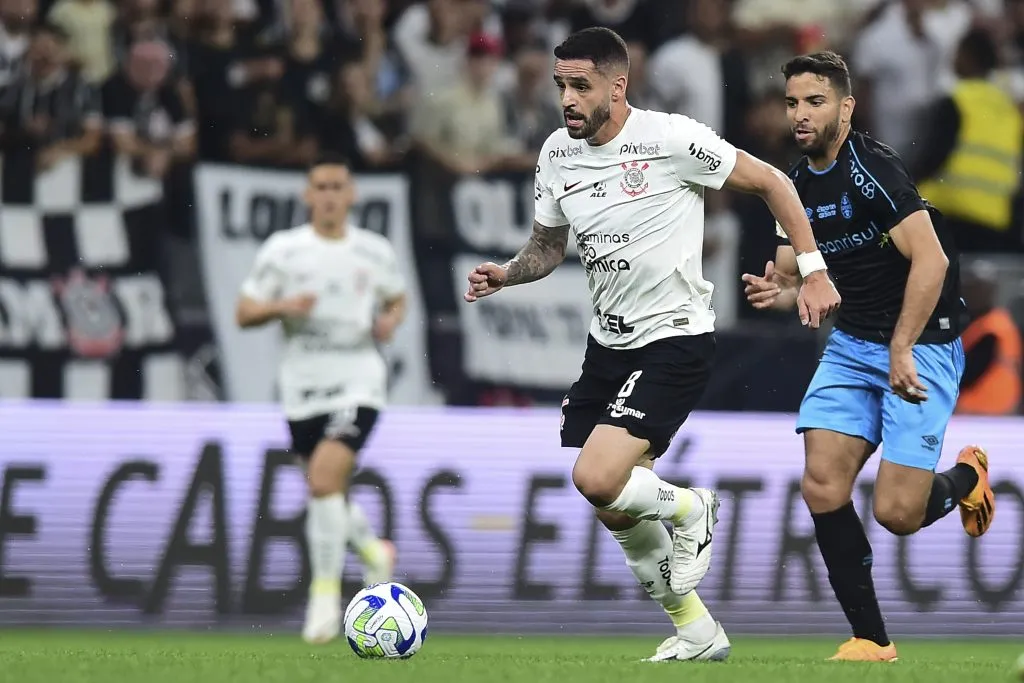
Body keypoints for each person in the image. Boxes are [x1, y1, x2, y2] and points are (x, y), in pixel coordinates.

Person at [463, 27, 841, 662]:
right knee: (615, 505)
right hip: (606, 347)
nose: (567, 99)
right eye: (560, 86)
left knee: (596, 476)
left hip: (674, 339)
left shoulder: (670, 139)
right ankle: (696, 631)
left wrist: (812, 268)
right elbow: (548, 248)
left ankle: (695, 508)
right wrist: (509, 272)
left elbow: (775, 181)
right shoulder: (557, 154)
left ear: (618, 85)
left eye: (580, 86)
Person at [741, 51, 995, 662]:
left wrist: (903, 346)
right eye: (793, 103)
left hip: (922, 343)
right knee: (823, 483)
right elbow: (794, 275)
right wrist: (780, 292)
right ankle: (870, 640)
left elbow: (930, 261)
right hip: (854, 343)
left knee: (898, 513)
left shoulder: (872, 170)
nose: (800, 115)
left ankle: (968, 477)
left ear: (846, 107)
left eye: (815, 101)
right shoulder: (793, 186)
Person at [236, 152, 404, 644]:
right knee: (322, 486)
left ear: (351, 196)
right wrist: (282, 305)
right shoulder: (284, 250)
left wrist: (389, 320)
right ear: (307, 196)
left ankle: (325, 598)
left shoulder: (373, 251)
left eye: (338, 187)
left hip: (359, 379)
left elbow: (396, 297)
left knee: (325, 477)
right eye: (321, 187)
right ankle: (374, 553)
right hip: (302, 386)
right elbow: (243, 312)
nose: (329, 196)